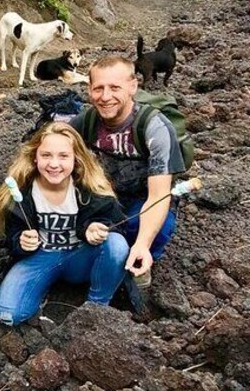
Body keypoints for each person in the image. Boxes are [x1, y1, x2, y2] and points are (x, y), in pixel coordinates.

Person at [0, 122, 129, 326]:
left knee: (117, 245)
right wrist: (20, 242)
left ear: (76, 158)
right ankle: (45, 285)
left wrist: (94, 228)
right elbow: (9, 239)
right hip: (41, 257)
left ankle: (96, 306)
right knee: (9, 315)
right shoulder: (20, 194)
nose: (54, 164)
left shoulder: (90, 189)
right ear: (35, 157)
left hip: (80, 256)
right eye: (46, 155)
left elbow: (118, 226)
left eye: (63, 156)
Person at [69, 56, 186, 290]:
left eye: (115, 88)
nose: (105, 97)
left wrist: (142, 244)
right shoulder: (85, 122)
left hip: (143, 198)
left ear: (133, 86)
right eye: (98, 88)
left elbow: (159, 195)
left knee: (152, 230)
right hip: (104, 195)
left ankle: (134, 267)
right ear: (89, 90)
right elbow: (49, 152)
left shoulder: (154, 127)